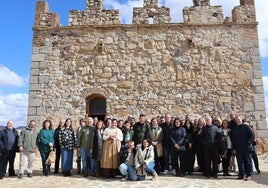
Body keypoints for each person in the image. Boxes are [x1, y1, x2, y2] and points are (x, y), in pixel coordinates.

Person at [232, 116, 254, 181]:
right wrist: (234, 148)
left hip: (247, 148)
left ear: (241, 120)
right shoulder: (234, 129)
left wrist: (248, 143)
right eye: (236, 120)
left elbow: (251, 136)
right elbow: (233, 140)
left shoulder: (246, 127)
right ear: (235, 121)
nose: (237, 121)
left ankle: (249, 175)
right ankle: (241, 174)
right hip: (238, 148)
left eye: (238, 119)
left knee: (248, 162)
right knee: (239, 162)